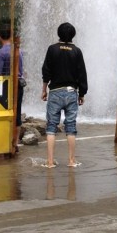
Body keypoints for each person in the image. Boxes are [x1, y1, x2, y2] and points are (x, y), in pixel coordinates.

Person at [41, 22, 88, 168]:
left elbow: (46, 71)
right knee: (71, 127)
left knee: (51, 127)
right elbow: (82, 74)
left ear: (58, 34)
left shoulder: (52, 49)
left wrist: (44, 89)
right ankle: (71, 161)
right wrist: (82, 93)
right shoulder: (77, 51)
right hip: (71, 92)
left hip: (55, 92)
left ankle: (49, 162)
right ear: (73, 35)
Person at [0, 18, 25, 130]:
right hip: (18, 85)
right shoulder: (18, 51)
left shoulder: (1, 53)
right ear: (12, 36)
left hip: (6, 87)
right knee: (17, 113)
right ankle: (15, 143)